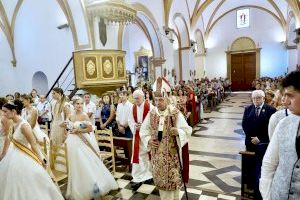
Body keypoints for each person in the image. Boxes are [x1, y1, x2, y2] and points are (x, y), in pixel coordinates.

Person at [140, 77, 192, 200]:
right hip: (157, 156)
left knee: (173, 185)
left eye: (161, 100)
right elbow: (143, 130)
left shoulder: (175, 113)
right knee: (162, 186)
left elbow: (188, 130)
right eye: (156, 100)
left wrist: (178, 131)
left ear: (167, 99)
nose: (158, 103)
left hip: (172, 157)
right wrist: (148, 140)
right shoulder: (152, 113)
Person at [0, 100, 64, 200]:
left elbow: (33, 144)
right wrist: (3, 154)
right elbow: (9, 139)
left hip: (25, 157)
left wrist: (42, 159)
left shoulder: (24, 125)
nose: (3, 114)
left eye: (5, 111)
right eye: (3, 111)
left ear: (13, 112)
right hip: (13, 155)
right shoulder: (12, 123)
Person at [64, 96, 118, 199]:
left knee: (86, 163)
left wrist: (78, 130)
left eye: (80, 104)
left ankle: (94, 187)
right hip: (72, 141)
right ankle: (80, 185)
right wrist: (68, 128)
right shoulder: (71, 115)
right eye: (77, 104)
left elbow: (89, 129)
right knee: (75, 165)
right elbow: (69, 126)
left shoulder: (84, 115)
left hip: (82, 141)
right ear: (73, 105)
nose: (79, 106)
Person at [260, 71, 300, 200]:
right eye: (284, 95)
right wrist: (267, 196)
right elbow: (269, 163)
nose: (285, 102)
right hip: (279, 194)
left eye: (290, 96)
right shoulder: (283, 123)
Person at [242, 89, 276, 199]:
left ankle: (258, 192)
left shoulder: (271, 110)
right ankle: (250, 188)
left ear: (263, 98)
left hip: (263, 144)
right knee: (249, 169)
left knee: (260, 169)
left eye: (258, 98)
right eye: (254, 98)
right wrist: (252, 138)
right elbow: (244, 125)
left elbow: (272, 128)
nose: (256, 100)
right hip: (250, 142)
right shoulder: (248, 109)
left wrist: (260, 139)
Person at [128, 89, 153, 190]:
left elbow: (154, 120)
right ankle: (137, 177)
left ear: (143, 97)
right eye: (134, 99)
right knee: (137, 156)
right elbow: (130, 120)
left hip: (147, 135)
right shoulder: (132, 107)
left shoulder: (150, 107)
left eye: (138, 98)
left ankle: (148, 175)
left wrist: (142, 127)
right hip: (137, 135)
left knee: (147, 155)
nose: (136, 101)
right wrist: (135, 126)